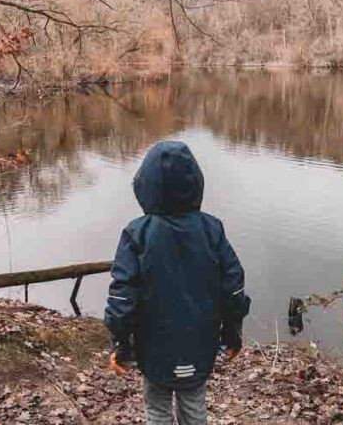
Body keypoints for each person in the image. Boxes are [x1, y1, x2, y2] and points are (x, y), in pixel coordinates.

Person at [104, 141, 251, 425]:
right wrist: (232, 335)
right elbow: (234, 288)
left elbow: (122, 299)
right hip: (200, 343)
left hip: (153, 346)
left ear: (145, 185)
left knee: (157, 410)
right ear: (196, 182)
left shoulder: (137, 233)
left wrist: (121, 346)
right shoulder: (212, 229)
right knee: (194, 408)